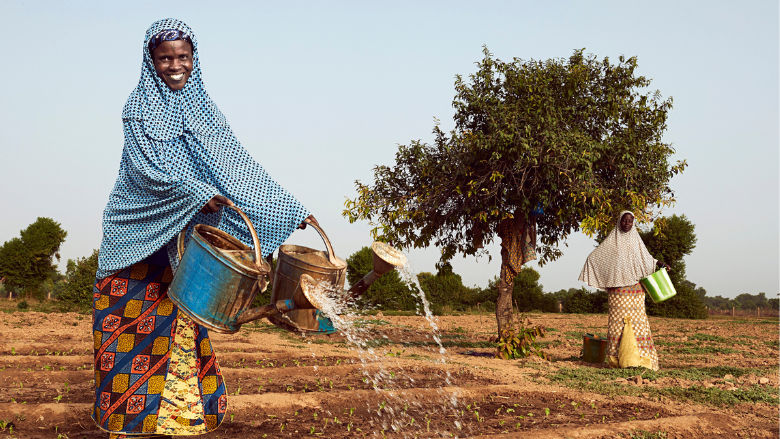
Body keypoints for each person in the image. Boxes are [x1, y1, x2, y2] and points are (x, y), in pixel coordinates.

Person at [92, 18, 315, 437]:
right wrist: (196, 191)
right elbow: (145, 171)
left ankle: (179, 418)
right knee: (126, 325)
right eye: (165, 58)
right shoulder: (138, 108)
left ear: (194, 58)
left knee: (182, 320)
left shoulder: (203, 107)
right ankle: (128, 422)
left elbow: (237, 165)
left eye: (183, 57)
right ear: (150, 61)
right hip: (138, 232)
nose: (175, 65)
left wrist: (284, 206)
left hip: (184, 237)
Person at [578, 211, 668, 371]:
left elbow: (647, 260)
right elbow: (594, 258)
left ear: (633, 223)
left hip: (636, 290)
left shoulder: (636, 241)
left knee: (639, 323)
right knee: (617, 326)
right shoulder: (611, 242)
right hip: (618, 292)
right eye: (624, 221)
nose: (627, 224)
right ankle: (616, 361)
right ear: (619, 221)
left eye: (630, 221)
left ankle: (642, 361)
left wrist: (661, 264)